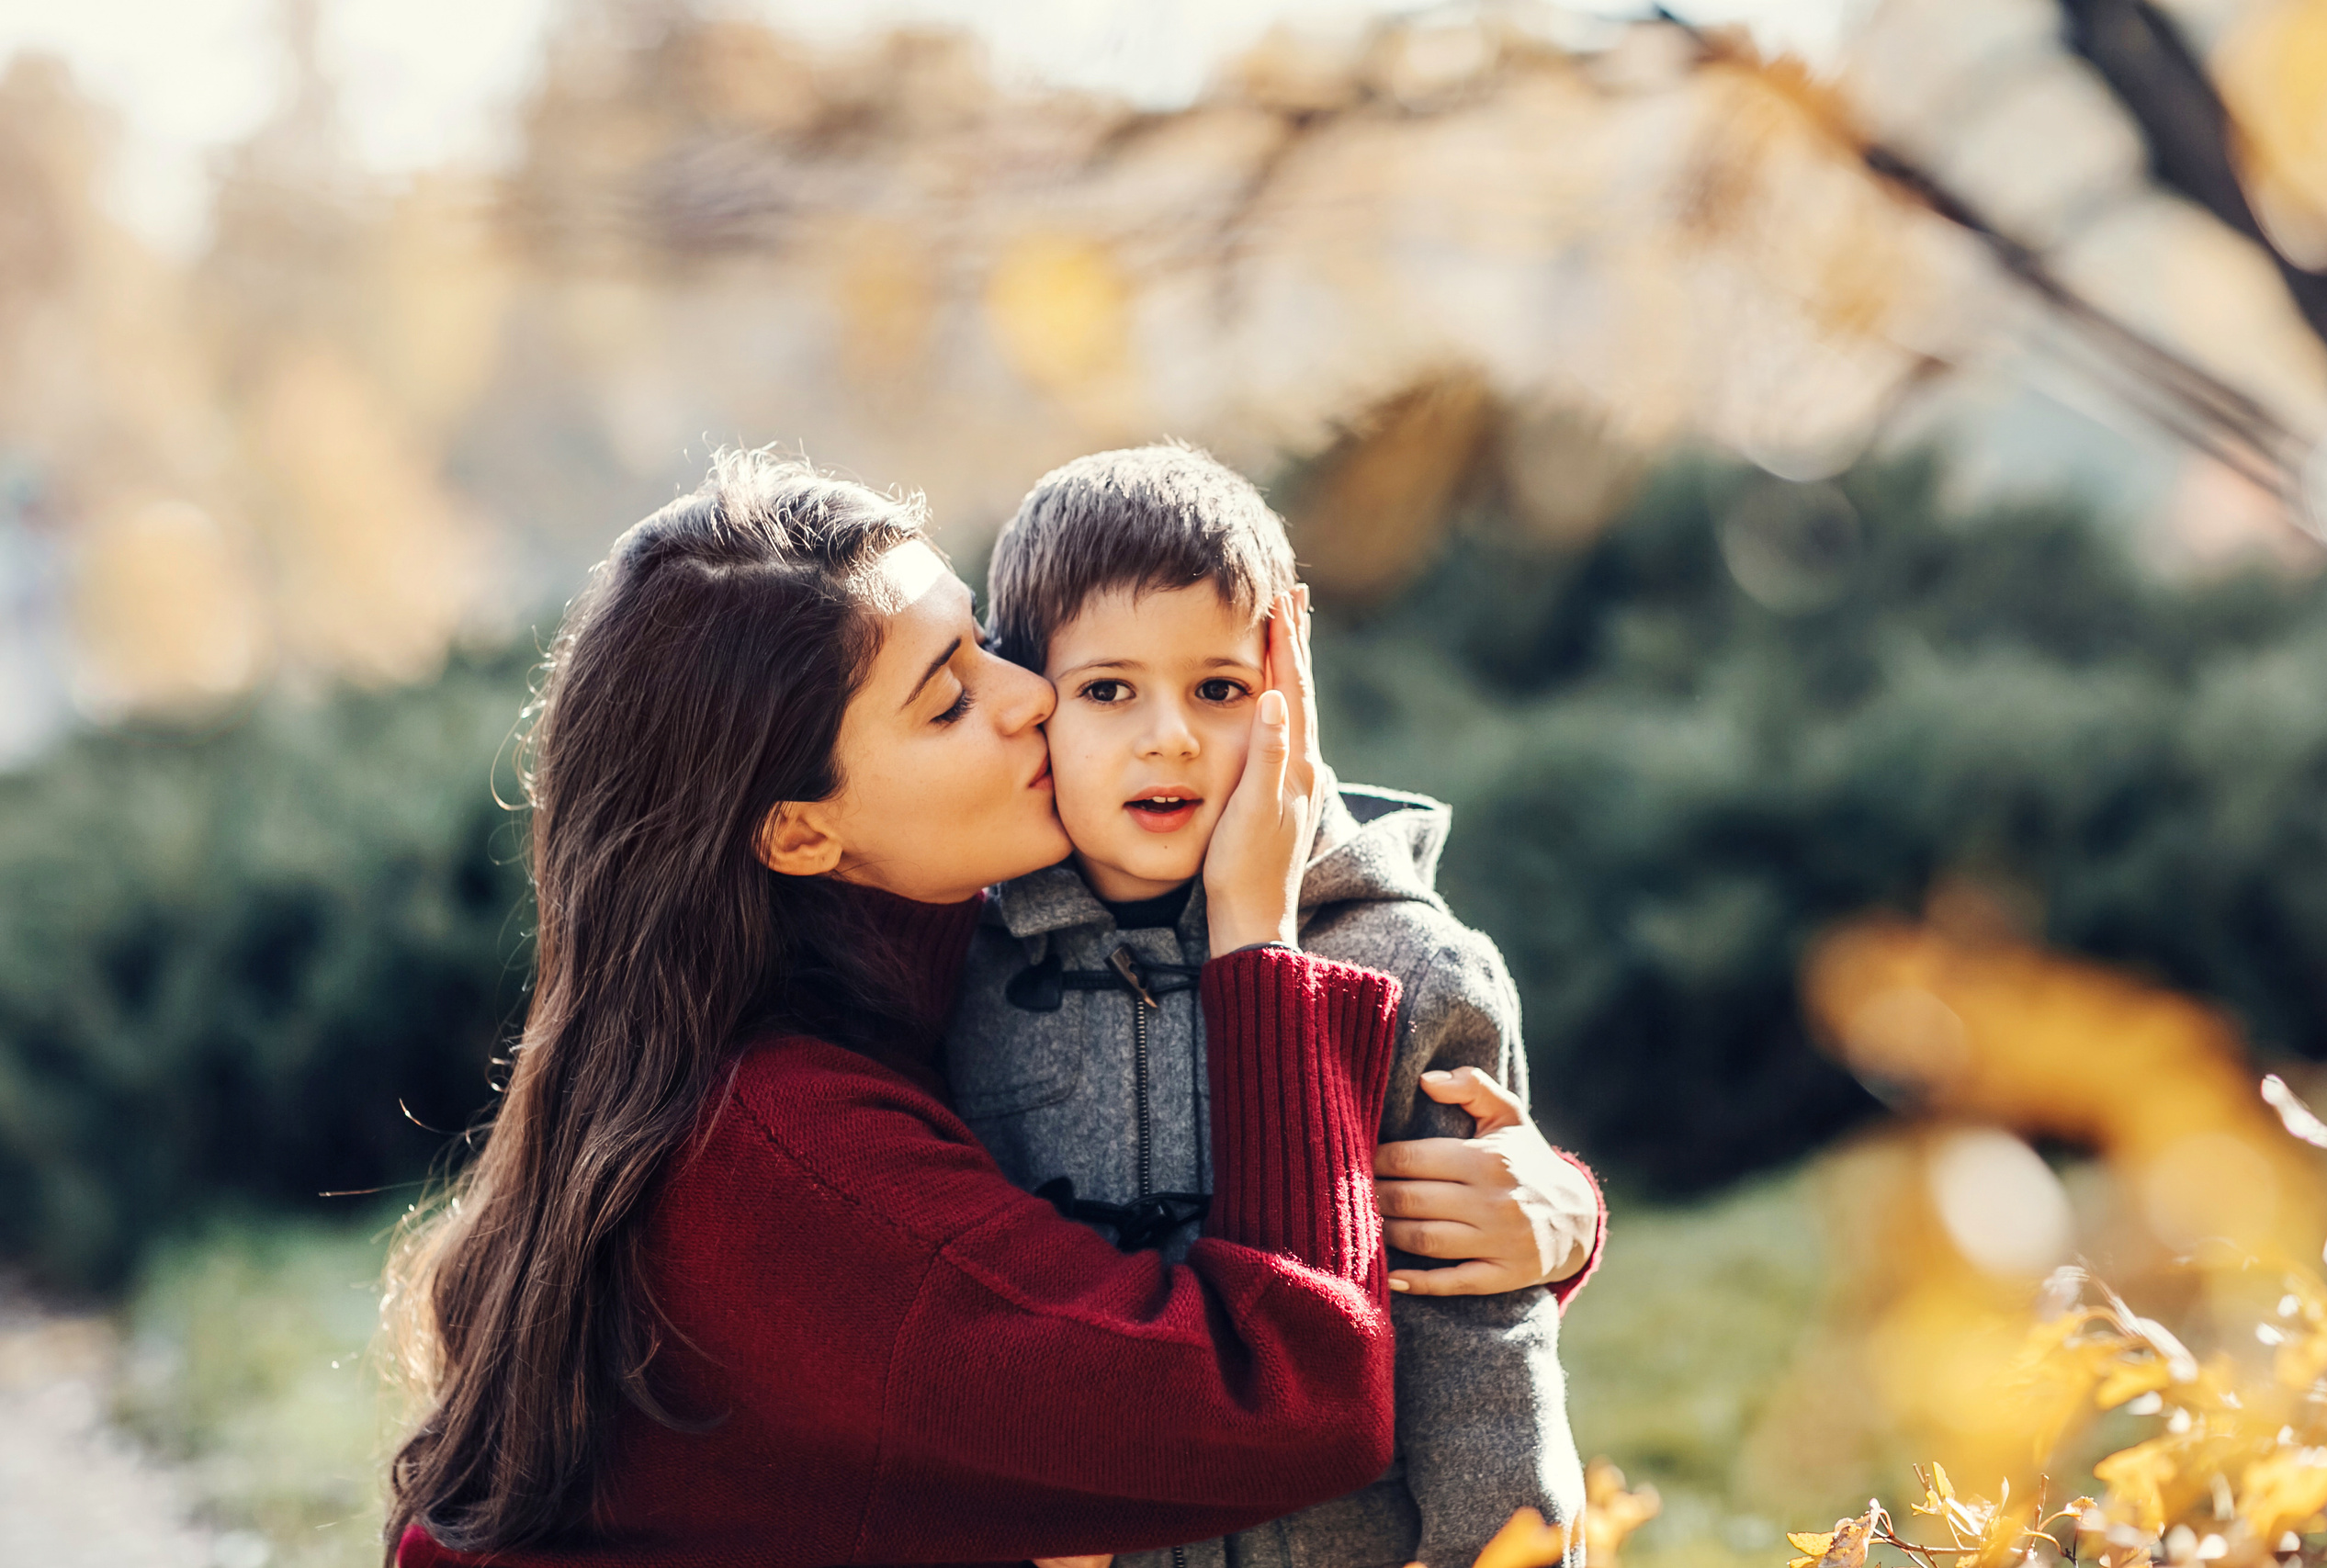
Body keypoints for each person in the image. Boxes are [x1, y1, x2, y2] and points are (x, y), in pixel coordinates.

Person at [380, 450, 1568, 1568]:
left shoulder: (922, 971)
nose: (1032, 698)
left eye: (986, 644)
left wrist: (1534, 1228)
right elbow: (1280, 1400)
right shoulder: (776, 1158)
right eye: (947, 701)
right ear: (801, 830)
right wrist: (1257, 936)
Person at [947, 445, 1604, 1568]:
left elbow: (1484, 1350)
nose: (1172, 736)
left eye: (1218, 689)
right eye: (1109, 690)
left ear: (1288, 696)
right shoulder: (958, 975)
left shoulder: (1412, 967)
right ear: (1028, 704)